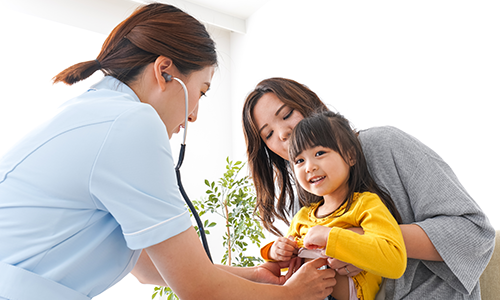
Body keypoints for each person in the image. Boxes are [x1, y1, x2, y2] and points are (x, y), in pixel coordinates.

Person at [0, 5, 337, 300]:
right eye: (201, 92)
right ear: (165, 73)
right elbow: (199, 289)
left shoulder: (95, 113)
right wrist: (294, 295)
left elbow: (147, 268)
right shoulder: (131, 123)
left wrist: (257, 277)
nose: (193, 116)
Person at [242, 77, 496, 299]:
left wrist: (359, 242)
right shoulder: (306, 200)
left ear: (310, 106)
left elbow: (473, 233)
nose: (283, 134)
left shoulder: (384, 145)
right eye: (269, 135)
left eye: (286, 114)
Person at [263, 111, 407, 300]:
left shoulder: (366, 205)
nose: (309, 167)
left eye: (319, 153)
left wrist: (331, 236)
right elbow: (283, 264)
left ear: (350, 156)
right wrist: (276, 250)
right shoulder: (303, 216)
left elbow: (394, 262)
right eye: (299, 160)